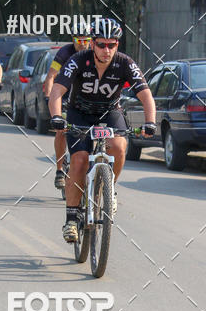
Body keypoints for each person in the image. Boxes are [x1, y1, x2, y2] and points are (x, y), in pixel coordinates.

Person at [48, 17, 156, 242]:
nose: (107, 50)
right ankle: (71, 219)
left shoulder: (125, 63)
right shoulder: (78, 60)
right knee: (79, 160)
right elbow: (57, 90)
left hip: (109, 112)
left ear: (117, 45)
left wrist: (150, 122)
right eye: (101, 45)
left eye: (112, 45)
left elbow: (145, 94)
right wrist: (57, 116)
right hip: (80, 113)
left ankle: (110, 189)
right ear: (93, 43)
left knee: (118, 146)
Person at [42, 31, 92, 190]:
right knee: (61, 130)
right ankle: (59, 170)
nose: (83, 43)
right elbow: (51, 76)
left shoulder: (94, 52)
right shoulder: (65, 52)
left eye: (86, 40)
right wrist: (48, 96)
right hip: (63, 94)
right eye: (79, 40)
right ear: (73, 40)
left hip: (85, 96)